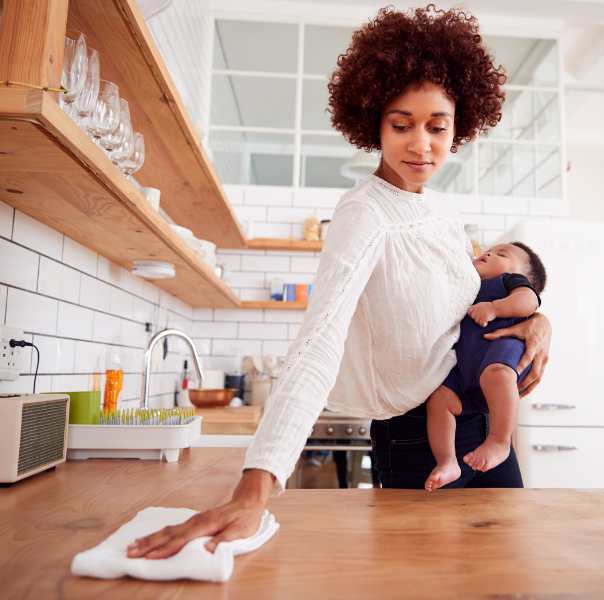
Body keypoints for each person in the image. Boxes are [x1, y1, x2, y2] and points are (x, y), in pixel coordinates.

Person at [127, 4, 552, 560]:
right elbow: (320, 340)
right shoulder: (363, 214)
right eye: (401, 125)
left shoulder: (447, 218)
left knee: (505, 576)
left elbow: (475, 306)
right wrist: (255, 485)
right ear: (373, 122)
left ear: (460, 126)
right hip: (416, 441)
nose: (421, 145)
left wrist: (538, 319)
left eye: (437, 127)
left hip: (483, 425)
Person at [425, 242, 546, 491]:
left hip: (501, 349)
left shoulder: (509, 282)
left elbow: (529, 301)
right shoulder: (467, 286)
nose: (489, 253)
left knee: (497, 375)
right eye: (488, 251)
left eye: (502, 254)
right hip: (468, 367)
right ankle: (447, 463)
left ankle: (500, 441)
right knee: (440, 400)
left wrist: (494, 308)